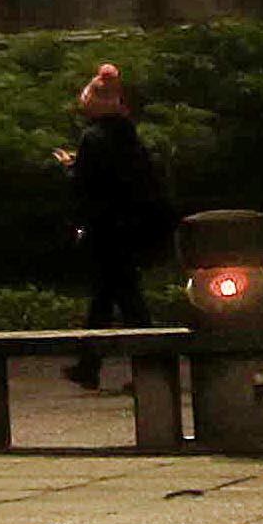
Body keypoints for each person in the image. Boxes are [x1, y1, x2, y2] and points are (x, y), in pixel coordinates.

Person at [59, 60, 172, 391]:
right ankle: (91, 365)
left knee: (124, 299)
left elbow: (86, 185)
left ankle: (150, 369)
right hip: (132, 227)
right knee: (108, 297)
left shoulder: (93, 138)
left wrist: (69, 169)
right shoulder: (129, 136)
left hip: (106, 230)